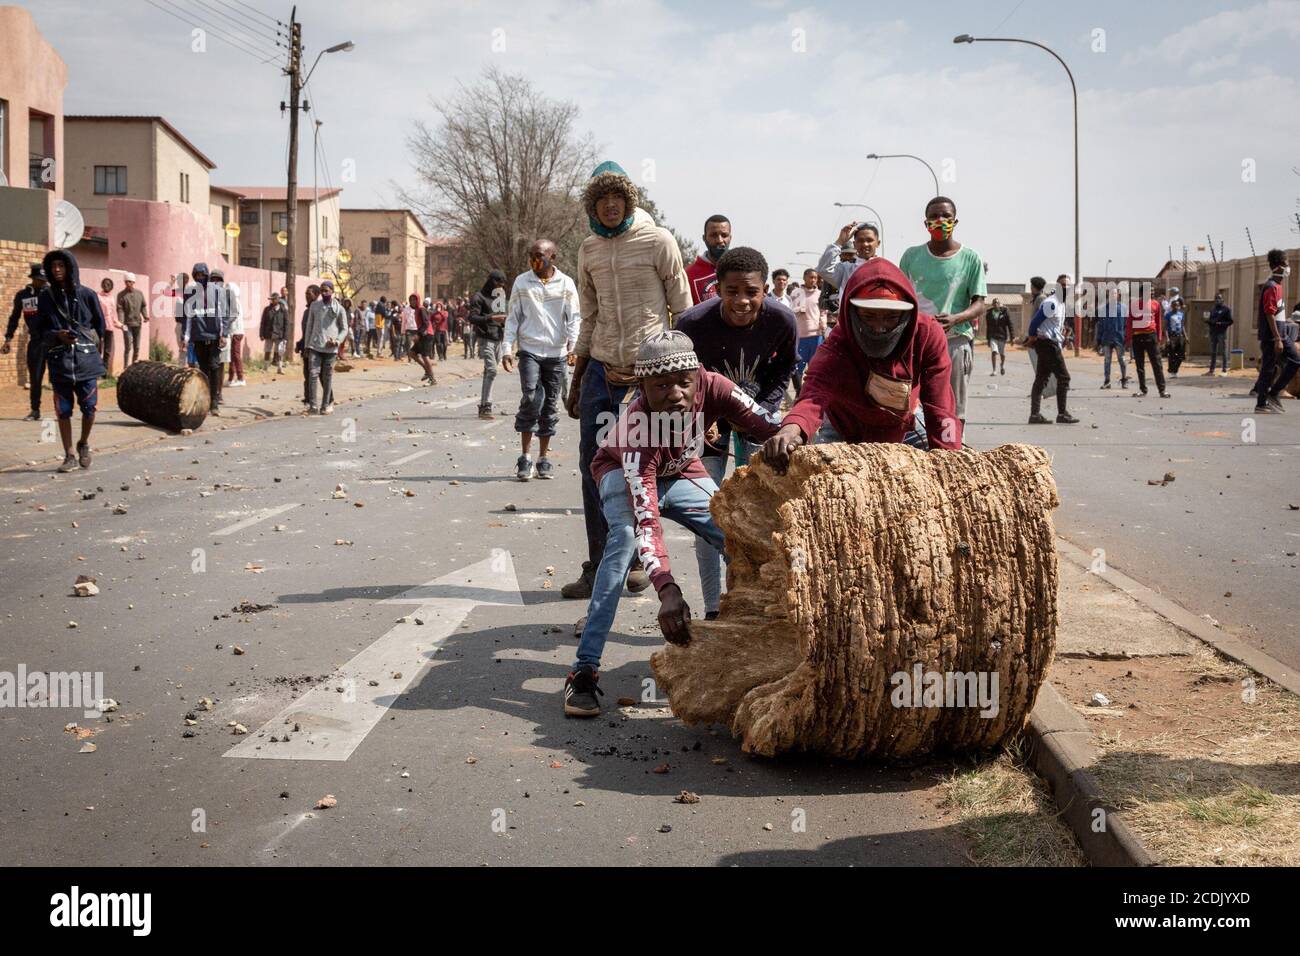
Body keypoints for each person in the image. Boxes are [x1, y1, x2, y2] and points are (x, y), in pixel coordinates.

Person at [562, 330, 782, 717]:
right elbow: (648, 522)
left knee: (738, 534)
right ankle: (584, 670)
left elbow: (767, 423)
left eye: (684, 382)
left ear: (697, 375)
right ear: (642, 386)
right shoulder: (636, 431)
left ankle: (758, 632)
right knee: (622, 546)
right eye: (661, 385)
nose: (676, 393)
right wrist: (667, 589)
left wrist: (795, 440)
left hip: (682, 469)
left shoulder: (716, 386)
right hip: (622, 471)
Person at [562, 160, 692, 603]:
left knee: (641, 468)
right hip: (601, 369)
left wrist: (685, 378)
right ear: (592, 206)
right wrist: (577, 378)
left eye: (617, 198)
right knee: (593, 467)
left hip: (648, 377)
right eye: (602, 200)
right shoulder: (589, 249)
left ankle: (639, 562)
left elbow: (683, 310)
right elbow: (589, 315)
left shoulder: (659, 241)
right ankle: (598, 563)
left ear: (629, 200)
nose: (611, 206)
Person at [675, 246, 796, 621]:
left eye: (751, 292)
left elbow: (785, 369)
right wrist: (703, 414)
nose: (742, 301)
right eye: (732, 292)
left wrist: (761, 408)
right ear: (717, 289)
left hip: (756, 414)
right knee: (709, 512)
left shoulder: (782, 320)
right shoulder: (692, 323)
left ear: (765, 290)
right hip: (707, 420)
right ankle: (713, 608)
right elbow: (681, 377)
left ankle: (756, 605)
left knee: (762, 510)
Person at [762, 257, 962, 472]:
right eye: (868, 316)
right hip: (844, 431)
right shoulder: (838, 346)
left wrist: (948, 460)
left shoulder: (927, 335)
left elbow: (940, 405)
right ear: (851, 313)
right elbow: (812, 396)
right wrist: (791, 430)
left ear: (907, 314)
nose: (878, 328)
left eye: (891, 317)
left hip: (903, 428)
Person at [898, 197, 986, 432]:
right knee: (911, 403)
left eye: (946, 216)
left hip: (955, 341)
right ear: (925, 223)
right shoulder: (911, 257)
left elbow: (980, 303)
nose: (940, 221)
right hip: (917, 342)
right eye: (935, 216)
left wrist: (957, 318)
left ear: (955, 221)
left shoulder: (971, 258)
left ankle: (954, 452)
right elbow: (901, 299)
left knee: (955, 406)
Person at [502, 238, 580, 481]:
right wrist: (506, 348)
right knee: (532, 397)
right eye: (531, 255)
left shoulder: (566, 283)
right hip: (529, 350)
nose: (535, 260)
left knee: (549, 406)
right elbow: (513, 317)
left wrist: (573, 347)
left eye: (540, 256)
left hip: (556, 354)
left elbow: (574, 318)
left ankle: (543, 458)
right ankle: (524, 457)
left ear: (552, 257)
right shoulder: (522, 282)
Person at [33, 250, 105, 472]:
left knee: (90, 408)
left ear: (70, 268)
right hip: (60, 362)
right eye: (53, 266)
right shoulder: (45, 298)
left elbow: (99, 327)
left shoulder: (88, 295)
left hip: (85, 362)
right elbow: (38, 329)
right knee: (63, 410)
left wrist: (87, 343)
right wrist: (56, 335)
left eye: (61, 266)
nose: (56, 270)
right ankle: (69, 455)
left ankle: (83, 443)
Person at [1026, 275, 1080, 424]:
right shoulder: (1052, 303)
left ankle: (1034, 414)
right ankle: (1062, 414)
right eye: (1063, 285)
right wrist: (1031, 338)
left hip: (1049, 343)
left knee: (1041, 379)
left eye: (1068, 286)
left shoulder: (1061, 304)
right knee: (1064, 377)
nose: (1066, 288)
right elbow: (1034, 322)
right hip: (1047, 344)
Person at [181, 262, 229, 416]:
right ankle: (206, 401)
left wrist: (224, 333)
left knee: (214, 367)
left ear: (207, 276)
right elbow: (187, 316)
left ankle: (215, 403)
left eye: (202, 275)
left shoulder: (217, 291)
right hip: (198, 336)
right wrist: (186, 337)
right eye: (197, 275)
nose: (200, 278)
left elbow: (223, 313)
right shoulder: (190, 292)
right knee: (204, 370)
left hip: (214, 335)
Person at [1254, 249, 1298, 414]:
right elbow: (1269, 313)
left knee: (1295, 360)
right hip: (1273, 336)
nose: (1288, 267)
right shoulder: (1271, 286)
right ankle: (1261, 403)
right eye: (1286, 264)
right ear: (1278, 266)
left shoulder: (1277, 286)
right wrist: (1277, 338)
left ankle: (1273, 393)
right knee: (1268, 368)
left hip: (1281, 333)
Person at [3, 263, 49, 420]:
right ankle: (35, 410)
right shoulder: (23, 296)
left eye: (44, 279)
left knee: (60, 376)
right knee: (35, 378)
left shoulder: (51, 293)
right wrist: (8, 338)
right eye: (39, 279)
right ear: (33, 279)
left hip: (54, 340)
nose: (43, 282)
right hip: (36, 341)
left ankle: (64, 411)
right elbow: (14, 318)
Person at [303, 279, 347, 414]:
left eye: (326, 290)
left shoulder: (339, 308)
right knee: (313, 374)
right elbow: (309, 326)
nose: (324, 293)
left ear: (332, 291)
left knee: (327, 377)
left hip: (330, 349)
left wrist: (337, 341)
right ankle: (313, 405)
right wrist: (307, 346)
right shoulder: (314, 306)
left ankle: (326, 405)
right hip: (315, 346)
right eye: (322, 291)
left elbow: (344, 328)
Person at [468, 270, 508, 418]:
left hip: (498, 338)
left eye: (503, 284)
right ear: (491, 281)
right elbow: (472, 317)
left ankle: (484, 406)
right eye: (498, 283)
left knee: (489, 372)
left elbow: (502, 317)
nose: (500, 286)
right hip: (485, 338)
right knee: (492, 370)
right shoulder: (479, 297)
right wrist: (491, 318)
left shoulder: (499, 297)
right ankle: (486, 405)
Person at [817, 221, 877, 315]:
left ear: (878, 243)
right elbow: (823, 269)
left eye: (869, 240)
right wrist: (839, 242)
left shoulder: (885, 268)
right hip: (849, 324)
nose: (865, 244)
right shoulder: (846, 270)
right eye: (860, 240)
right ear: (855, 244)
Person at [1127, 284, 1169, 398]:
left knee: (1157, 363)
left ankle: (1162, 390)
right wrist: (1128, 338)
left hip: (1151, 336)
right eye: (1149, 291)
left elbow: (1158, 321)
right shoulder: (1134, 305)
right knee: (1139, 365)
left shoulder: (1156, 304)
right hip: (1137, 337)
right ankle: (1143, 389)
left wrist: (1159, 337)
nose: (1152, 293)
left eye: (1152, 291)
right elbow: (1129, 322)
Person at [787, 268, 824, 396]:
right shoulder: (796, 293)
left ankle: (813, 392)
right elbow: (791, 309)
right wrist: (798, 308)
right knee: (799, 367)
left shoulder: (820, 294)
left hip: (816, 336)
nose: (813, 280)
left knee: (815, 367)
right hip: (801, 335)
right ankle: (799, 392)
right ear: (804, 278)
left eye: (815, 278)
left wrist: (823, 321)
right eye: (810, 277)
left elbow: (823, 311)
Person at [684, 214, 732, 304]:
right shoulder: (688, 275)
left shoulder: (742, 270)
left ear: (730, 238)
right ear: (704, 238)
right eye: (714, 235)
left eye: (724, 235)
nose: (720, 240)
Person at [214, 269, 245, 387]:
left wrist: (225, 323)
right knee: (232, 355)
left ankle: (241, 378)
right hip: (234, 331)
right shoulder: (234, 300)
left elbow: (233, 315)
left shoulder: (234, 301)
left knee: (236, 355)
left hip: (235, 331)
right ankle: (231, 378)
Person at [1096, 284, 1129, 389]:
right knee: (1107, 360)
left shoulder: (1123, 308)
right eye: (1111, 294)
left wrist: (1127, 338)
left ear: (1118, 295)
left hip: (1120, 338)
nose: (1113, 295)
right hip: (1106, 338)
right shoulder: (1103, 309)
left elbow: (1126, 324)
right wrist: (1098, 339)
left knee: (1122, 360)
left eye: (1115, 293)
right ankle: (1107, 381)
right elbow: (1100, 325)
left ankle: (1124, 379)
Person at [116, 272, 148, 368]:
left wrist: (145, 316)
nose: (128, 283)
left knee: (137, 347)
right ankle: (125, 368)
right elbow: (120, 309)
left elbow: (143, 306)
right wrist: (121, 323)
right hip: (127, 325)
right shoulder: (121, 295)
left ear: (133, 282)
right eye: (126, 282)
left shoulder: (139, 293)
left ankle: (134, 368)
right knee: (128, 347)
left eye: (130, 281)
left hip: (138, 323)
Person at [410, 293, 437, 384]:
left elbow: (426, 323)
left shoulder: (421, 309)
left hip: (427, 334)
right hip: (422, 335)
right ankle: (427, 370)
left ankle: (432, 378)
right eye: (411, 300)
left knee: (425, 356)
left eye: (414, 299)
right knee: (412, 353)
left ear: (418, 300)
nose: (413, 301)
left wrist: (418, 334)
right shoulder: (417, 310)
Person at [1205, 292, 1233, 376]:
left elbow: (1230, 321)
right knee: (1213, 351)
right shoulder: (1213, 309)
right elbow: (1210, 320)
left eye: (1219, 298)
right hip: (1213, 332)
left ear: (1222, 300)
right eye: (1216, 298)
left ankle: (1224, 369)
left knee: (1223, 351)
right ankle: (1211, 370)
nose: (1217, 300)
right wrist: (1209, 322)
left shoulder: (1226, 309)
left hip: (1221, 332)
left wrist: (1221, 323)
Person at [261, 291, 289, 371]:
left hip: (279, 334)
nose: (272, 301)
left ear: (278, 300)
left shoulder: (283, 310)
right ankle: (265, 367)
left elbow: (286, 324)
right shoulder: (267, 309)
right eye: (271, 299)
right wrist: (261, 334)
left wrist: (285, 337)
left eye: (273, 299)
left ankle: (279, 367)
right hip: (268, 334)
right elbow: (263, 322)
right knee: (267, 350)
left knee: (279, 351)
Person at [97, 277, 119, 377]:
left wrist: (118, 324)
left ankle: (104, 373)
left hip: (109, 327)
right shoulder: (98, 296)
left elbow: (113, 314)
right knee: (98, 349)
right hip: (100, 325)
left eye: (109, 284)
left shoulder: (112, 298)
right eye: (105, 284)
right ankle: (96, 372)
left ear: (111, 287)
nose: (107, 286)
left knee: (107, 351)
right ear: (102, 285)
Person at [985, 297, 1012, 375]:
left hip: (1002, 336)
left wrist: (1012, 337)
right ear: (993, 305)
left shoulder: (1004, 313)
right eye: (994, 303)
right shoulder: (989, 314)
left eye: (997, 303)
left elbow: (1010, 325)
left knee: (1002, 354)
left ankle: (1002, 365)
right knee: (994, 352)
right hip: (993, 336)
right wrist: (988, 339)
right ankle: (994, 370)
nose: (996, 304)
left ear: (999, 304)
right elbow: (988, 327)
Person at [1165, 296, 1187, 376]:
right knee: (1172, 355)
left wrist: (1186, 336)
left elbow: (1182, 326)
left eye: (1178, 305)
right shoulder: (1168, 315)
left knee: (1181, 355)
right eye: (1174, 305)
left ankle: (1175, 369)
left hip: (1180, 336)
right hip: (1172, 336)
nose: (1176, 307)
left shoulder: (1181, 314)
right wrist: (1167, 338)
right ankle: (1171, 371)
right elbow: (1166, 328)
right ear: (1171, 306)